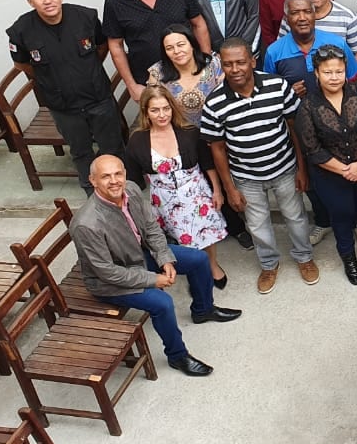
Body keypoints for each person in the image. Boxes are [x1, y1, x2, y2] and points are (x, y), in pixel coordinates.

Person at [71, 155, 241, 377]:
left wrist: (164, 258)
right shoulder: (86, 224)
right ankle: (177, 356)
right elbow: (107, 272)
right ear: (92, 181)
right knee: (162, 303)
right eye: (105, 176)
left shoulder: (130, 190)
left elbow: (151, 227)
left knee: (198, 260)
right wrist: (153, 279)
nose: (114, 181)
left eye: (118, 174)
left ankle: (203, 310)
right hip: (109, 281)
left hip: (138, 255)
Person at [200, 38, 317, 295]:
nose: (235, 69)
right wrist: (230, 188)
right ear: (221, 65)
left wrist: (301, 168)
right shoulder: (215, 102)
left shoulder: (277, 86)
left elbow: (294, 128)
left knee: (296, 217)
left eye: (241, 62)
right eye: (228, 64)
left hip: (284, 169)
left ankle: (304, 257)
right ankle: (268, 264)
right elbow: (217, 148)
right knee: (257, 224)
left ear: (252, 61)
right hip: (246, 176)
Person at [6, 0, 123, 194]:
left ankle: (124, 192)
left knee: (113, 148)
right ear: (30, 1)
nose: (47, 0)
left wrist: (84, 73)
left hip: (98, 98)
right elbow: (22, 64)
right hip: (63, 106)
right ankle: (94, 195)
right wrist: (51, 77)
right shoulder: (21, 30)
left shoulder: (86, 17)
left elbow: (101, 46)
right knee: (81, 152)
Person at [265, 0, 357, 248]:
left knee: (347, 177)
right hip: (300, 132)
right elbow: (269, 92)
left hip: (339, 129)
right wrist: (288, 88)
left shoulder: (336, 43)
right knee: (311, 180)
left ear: (315, 14)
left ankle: (356, 223)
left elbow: (352, 81)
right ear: (287, 17)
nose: (302, 17)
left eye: (306, 11)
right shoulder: (275, 51)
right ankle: (323, 220)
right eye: (295, 13)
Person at [146, 24, 254, 252]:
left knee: (229, 180)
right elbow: (154, 105)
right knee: (204, 185)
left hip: (221, 133)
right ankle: (224, 227)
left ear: (191, 42)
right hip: (184, 140)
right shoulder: (158, 73)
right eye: (170, 48)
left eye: (181, 44)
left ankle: (242, 225)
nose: (177, 51)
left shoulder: (212, 64)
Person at [294, 46, 357, 284]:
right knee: (341, 216)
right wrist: (345, 170)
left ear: (346, 70)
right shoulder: (307, 106)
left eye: (338, 71)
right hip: (329, 175)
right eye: (327, 72)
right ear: (317, 73)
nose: (334, 77)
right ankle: (349, 259)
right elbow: (312, 148)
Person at [125, 85, 229, 288]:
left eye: (166, 108)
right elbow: (133, 178)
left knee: (206, 232)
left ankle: (212, 264)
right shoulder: (137, 141)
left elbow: (207, 163)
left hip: (196, 192)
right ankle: (196, 269)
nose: (162, 115)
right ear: (146, 112)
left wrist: (217, 190)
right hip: (164, 199)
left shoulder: (189, 132)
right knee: (184, 238)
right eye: (155, 110)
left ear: (173, 108)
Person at [104, 0, 211, 102]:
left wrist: (207, 66)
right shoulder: (115, 1)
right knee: (159, 126)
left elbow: (199, 23)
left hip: (189, 77)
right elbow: (115, 45)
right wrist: (132, 85)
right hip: (148, 83)